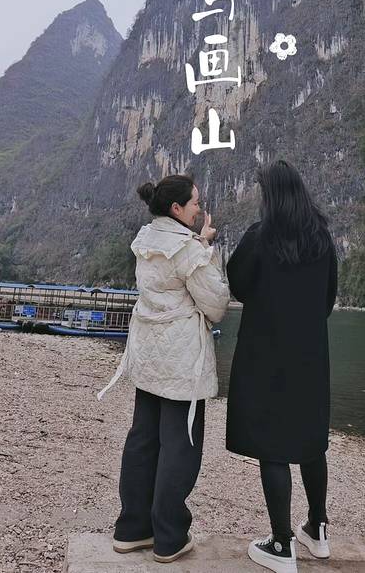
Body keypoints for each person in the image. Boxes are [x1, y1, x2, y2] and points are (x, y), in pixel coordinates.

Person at [96, 174, 230, 563]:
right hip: (181, 363)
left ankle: (132, 528)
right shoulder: (188, 249)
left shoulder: (147, 239)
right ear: (176, 208)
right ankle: (169, 537)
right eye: (195, 203)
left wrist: (198, 242)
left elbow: (170, 279)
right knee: (180, 444)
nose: (199, 209)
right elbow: (216, 303)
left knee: (143, 439)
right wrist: (205, 248)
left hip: (149, 356)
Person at [225, 159, 338, 572]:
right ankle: (317, 530)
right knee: (310, 440)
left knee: (272, 444)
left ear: (271, 195)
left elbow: (238, 283)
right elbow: (328, 299)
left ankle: (280, 543)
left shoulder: (261, 236)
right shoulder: (322, 239)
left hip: (267, 356)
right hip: (310, 358)